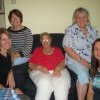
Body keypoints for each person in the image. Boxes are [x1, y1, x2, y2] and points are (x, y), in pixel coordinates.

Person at [62, 7, 98, 100]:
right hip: (75, 59)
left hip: (92, 59)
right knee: (83, 74)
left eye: (84, 17)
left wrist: (94, 60)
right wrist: (82, 61)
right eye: (79, 17)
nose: (81, 19)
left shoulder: (93, 30)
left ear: (88, 18)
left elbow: (97, 46)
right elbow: (67, 48)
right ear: (75, 19)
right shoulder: (70, 30)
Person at [29, 32, 71, 100]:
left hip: (59, 70)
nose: (45, 41)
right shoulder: (37, 51)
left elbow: (63, 61)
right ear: (41, 41)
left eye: (47, 39)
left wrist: (58, 68)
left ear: (51, 40)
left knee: (62, 84)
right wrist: (39, 67)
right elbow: (30, 65)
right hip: (40, 72)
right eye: (43, 40)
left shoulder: (57, 50)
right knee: (45, 83)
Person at [0, 28, 30, 100]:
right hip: (3, 90)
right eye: (3, 39)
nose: (7, 41)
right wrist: (10, 91)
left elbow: (8, 67)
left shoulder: (9, 54)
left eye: (8, 38)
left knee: (26, 98)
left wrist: (10, 72)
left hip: (5, 90)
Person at [7, 9, 33, 92]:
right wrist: (10, 54)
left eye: (17, 17)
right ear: (10, 20)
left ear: (20, 18)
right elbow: (6, 45)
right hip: (10, 56)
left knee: (16, 72)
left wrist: (15, 56)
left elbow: (28, 49)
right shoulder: (8, 31)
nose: (15, 19)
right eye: (12, 17)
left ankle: (17, 94)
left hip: (23, 57)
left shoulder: (26, 31)